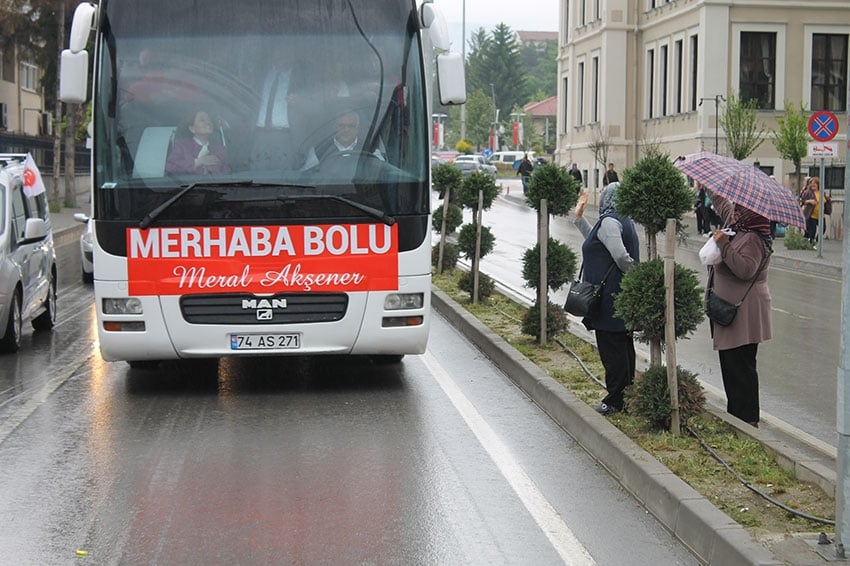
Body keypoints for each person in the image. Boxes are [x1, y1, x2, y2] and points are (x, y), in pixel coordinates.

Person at [573, 182, 640, 416]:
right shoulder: (616, 220)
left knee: (613, 352)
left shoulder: (611, 221)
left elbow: (620, 256)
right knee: (622, 348)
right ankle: (627, 398)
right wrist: (580, 219)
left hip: (610, 300)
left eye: (604, 193)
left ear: (611, 197)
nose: (600, 196)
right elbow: (598, 242)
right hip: (616, 297)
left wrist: (637, 274)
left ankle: (615, 401)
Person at [706, 197, 773, 427]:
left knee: (741, 368)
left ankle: (747, 421)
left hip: (744, 313)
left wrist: (724, 244)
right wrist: (707, 182)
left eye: (739, 210)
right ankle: (736, 418)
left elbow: (746, 269)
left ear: (750, 213)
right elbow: (724, 206)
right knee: (731, 367)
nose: (734, 213)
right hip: (731, 310)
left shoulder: (754, 238)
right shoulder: (740, 227)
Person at [302, 109, 384, 170]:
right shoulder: (319, 150)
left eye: (351, 126)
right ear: (335, 127)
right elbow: (306, 176)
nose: (346, 130)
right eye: (341, 125)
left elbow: (383, 172)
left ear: (357, 129)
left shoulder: (370, 149)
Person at [165, 109, 230, 175]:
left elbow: (227, 173)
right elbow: (170, 167)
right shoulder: (181, 146)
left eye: (209, 120)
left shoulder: (220, 149)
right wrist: (197, 162)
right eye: (202, 120)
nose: (208, 122)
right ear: (192, 129)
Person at [800, 176, 828, 244]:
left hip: (821, 216)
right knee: (812, 231)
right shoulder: (808, 193)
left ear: (818, 184)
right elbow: (802, 201)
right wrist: (809, 201)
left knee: (823, 229)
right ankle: (811, 244)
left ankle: (817, 240)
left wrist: (827, 198)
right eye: (811, 183)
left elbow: (826, 202)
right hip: (812, 215)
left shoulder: (822, 193)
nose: (813, 185)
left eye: (815, 183)